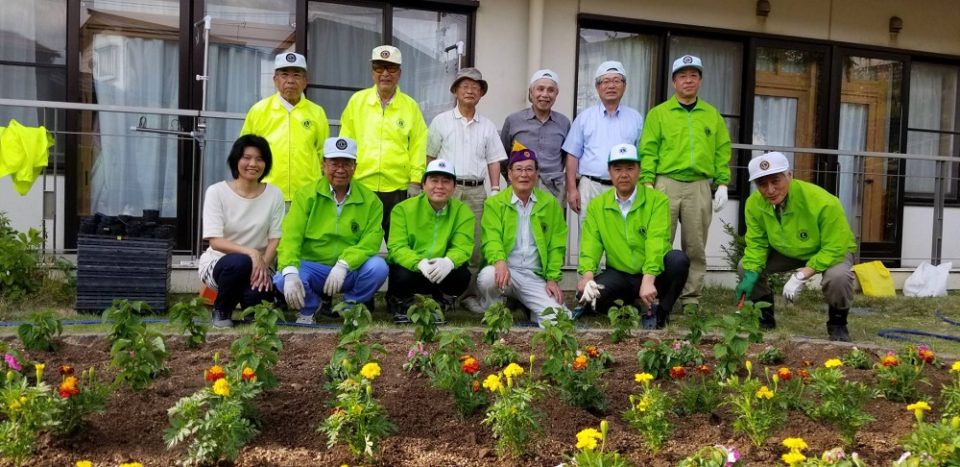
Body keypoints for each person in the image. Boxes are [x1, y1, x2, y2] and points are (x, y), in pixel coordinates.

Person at [639, 55, 732, 309]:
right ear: (674, 82)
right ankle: (655, 295)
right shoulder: (659, 114)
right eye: (682, 76)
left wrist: (723, 183)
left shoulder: (712, 115)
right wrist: (647, 182)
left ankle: (691, 298)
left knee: (695, 245)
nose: (688, 80)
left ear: (700, 81)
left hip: (699, 185)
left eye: (693, 75)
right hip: (665, 183)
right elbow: (648, 150)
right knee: (658, 242)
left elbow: (722, 151)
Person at [734, 151, 857, 341]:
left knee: (838, 276)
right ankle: (765, 320)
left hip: (830, 249)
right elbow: (757, 244)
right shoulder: (754, 204)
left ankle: (838, 324)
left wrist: (802, 275)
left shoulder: (823, 201)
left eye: (776, 181)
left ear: (789, 175)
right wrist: (750, 276)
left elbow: (835, 245)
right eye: (762, 184)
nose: (770, 190)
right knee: (746, 267)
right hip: (786, 250)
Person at [273, 137, 388, 324]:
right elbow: (291, 235)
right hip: (313, 266)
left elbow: (371, 240)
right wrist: (290, 269)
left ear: (355, 167)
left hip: (348, 269)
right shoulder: (305, 195)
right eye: (334, 163)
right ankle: (310, 307)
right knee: (282, 278)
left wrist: (344, 263)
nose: (340, 170)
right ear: (323, 165)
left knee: (378, 267)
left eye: (347, 163)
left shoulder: (371, 200)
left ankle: (349, 307)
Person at [577, 144, 690, 329]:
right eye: (617, 169)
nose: (624, 174)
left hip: (652, 273)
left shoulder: (657, 200)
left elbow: (657, 241)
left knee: (678, 260)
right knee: (586, 294)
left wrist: (648, 279)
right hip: (619, 273)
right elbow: (591, 243)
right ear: (609, 172)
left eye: (630, 168)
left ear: (639, 170)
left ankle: (662, 311)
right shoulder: (597, 205)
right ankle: (629, 310)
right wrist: (587, 276)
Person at [427, 67, 508, 313]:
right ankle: (438, 294)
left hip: (476, 190)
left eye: (475, 87)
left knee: (474, 245)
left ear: (481, 94)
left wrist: (495, 189)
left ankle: (468, 295)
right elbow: (430, 156)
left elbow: (494, 160)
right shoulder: (440, 121)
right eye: (465, 86)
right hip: (445, 189)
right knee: (441, 240)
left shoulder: (488, 126)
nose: (470, 90)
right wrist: (428, 187)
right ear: (455, 91)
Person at [339, 45, 428, 237]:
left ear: (400, 73)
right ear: (372, 72)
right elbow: (345, 142)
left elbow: (418, 145)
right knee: (356, 240)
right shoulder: (357, 101)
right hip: (361, 185)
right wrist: (344, 177)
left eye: (391, 68)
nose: (385, 74)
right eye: (379, 68)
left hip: (398, 188)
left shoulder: (410, 106)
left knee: (398, 241)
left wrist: (416, 181)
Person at [198, 135, 285, 328]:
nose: (253, 164)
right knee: (240, 262)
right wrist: (251, 253)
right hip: (221, 263)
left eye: (260, 159)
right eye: (247, 157)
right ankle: (222, 309)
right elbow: (215, 241)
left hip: (261, 265)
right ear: (236, 160)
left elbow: (275, 238)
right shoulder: (216, 192)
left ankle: (250, 306)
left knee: (257, 306)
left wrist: (263, 266)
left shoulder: (274, 194)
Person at [477, 147, 569, 326]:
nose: (524, 175)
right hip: (506, 271)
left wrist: (552, 279)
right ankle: (494, 312)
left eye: (529, 169)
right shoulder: (495, 203)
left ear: (537, 173)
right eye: (518, 169)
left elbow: (557, 245)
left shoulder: (549, 203)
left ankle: (526, 307)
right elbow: (491, 238)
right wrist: (499, 261)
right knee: (488, 277)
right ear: (509, 174)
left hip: (534, 276)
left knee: (558, 320)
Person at [385, 159, 475, 323]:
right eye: (434, 180)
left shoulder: (463, 212)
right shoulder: (402, 209)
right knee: (400, 273)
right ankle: (402, 303)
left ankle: (441, 302)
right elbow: (397, 247)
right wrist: (419, 263)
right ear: (423, 184)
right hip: (413, 270)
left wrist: (448, 261)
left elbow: (463, 247)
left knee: (462, 275)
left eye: (446, 181)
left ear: (454, 187)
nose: (439, 186)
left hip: (440, 271)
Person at [240, 52, 329, 202]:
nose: (290, 81)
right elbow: (245, 152)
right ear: (275, 80)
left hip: (307, 194)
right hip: (266, 193)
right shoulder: (259, 110)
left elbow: (323, 153)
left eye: (296, 75)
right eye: (284, 75)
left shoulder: (317, 112)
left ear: (305, 81)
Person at [563, 60, 643, 222]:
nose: (611, 86)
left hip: (625, 187)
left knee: (621, 233)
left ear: (624, 86)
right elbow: (572, 155)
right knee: (589, 232)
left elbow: (641, 155)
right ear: (597, 87)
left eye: (616, 81)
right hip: (590, 186)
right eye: (605, 81)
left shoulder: (635, 118)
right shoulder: (584, 118)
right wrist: (572, 190)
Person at [500, 69, 571, 204]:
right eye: (540, 89)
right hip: (520, 186)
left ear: (556, 94)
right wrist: (512, 178)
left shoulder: (564, 123)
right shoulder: (513, 120)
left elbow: (565, 157)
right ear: (531, 92)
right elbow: (503, 156)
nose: (545, 94)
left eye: (551, 90)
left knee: (552, 218)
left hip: (553, 190)